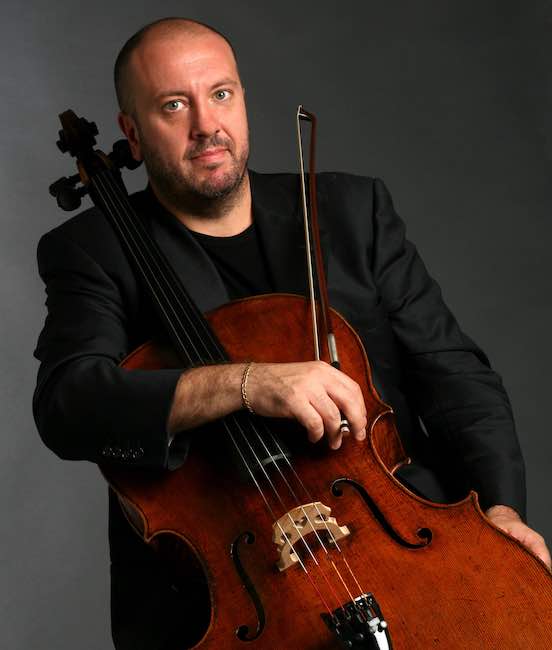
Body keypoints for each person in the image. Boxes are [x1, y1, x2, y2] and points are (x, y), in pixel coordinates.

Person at [33, 17, 550, 650]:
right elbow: (68, 405)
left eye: (221, 93)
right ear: (132, 134)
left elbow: (455, 375)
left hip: (408, 543)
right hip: (237, 591)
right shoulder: (94, 251)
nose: (206, 125)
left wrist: (500, 509)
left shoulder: (351, 211)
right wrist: (246, 384)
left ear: (243, 100)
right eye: (174, 105)